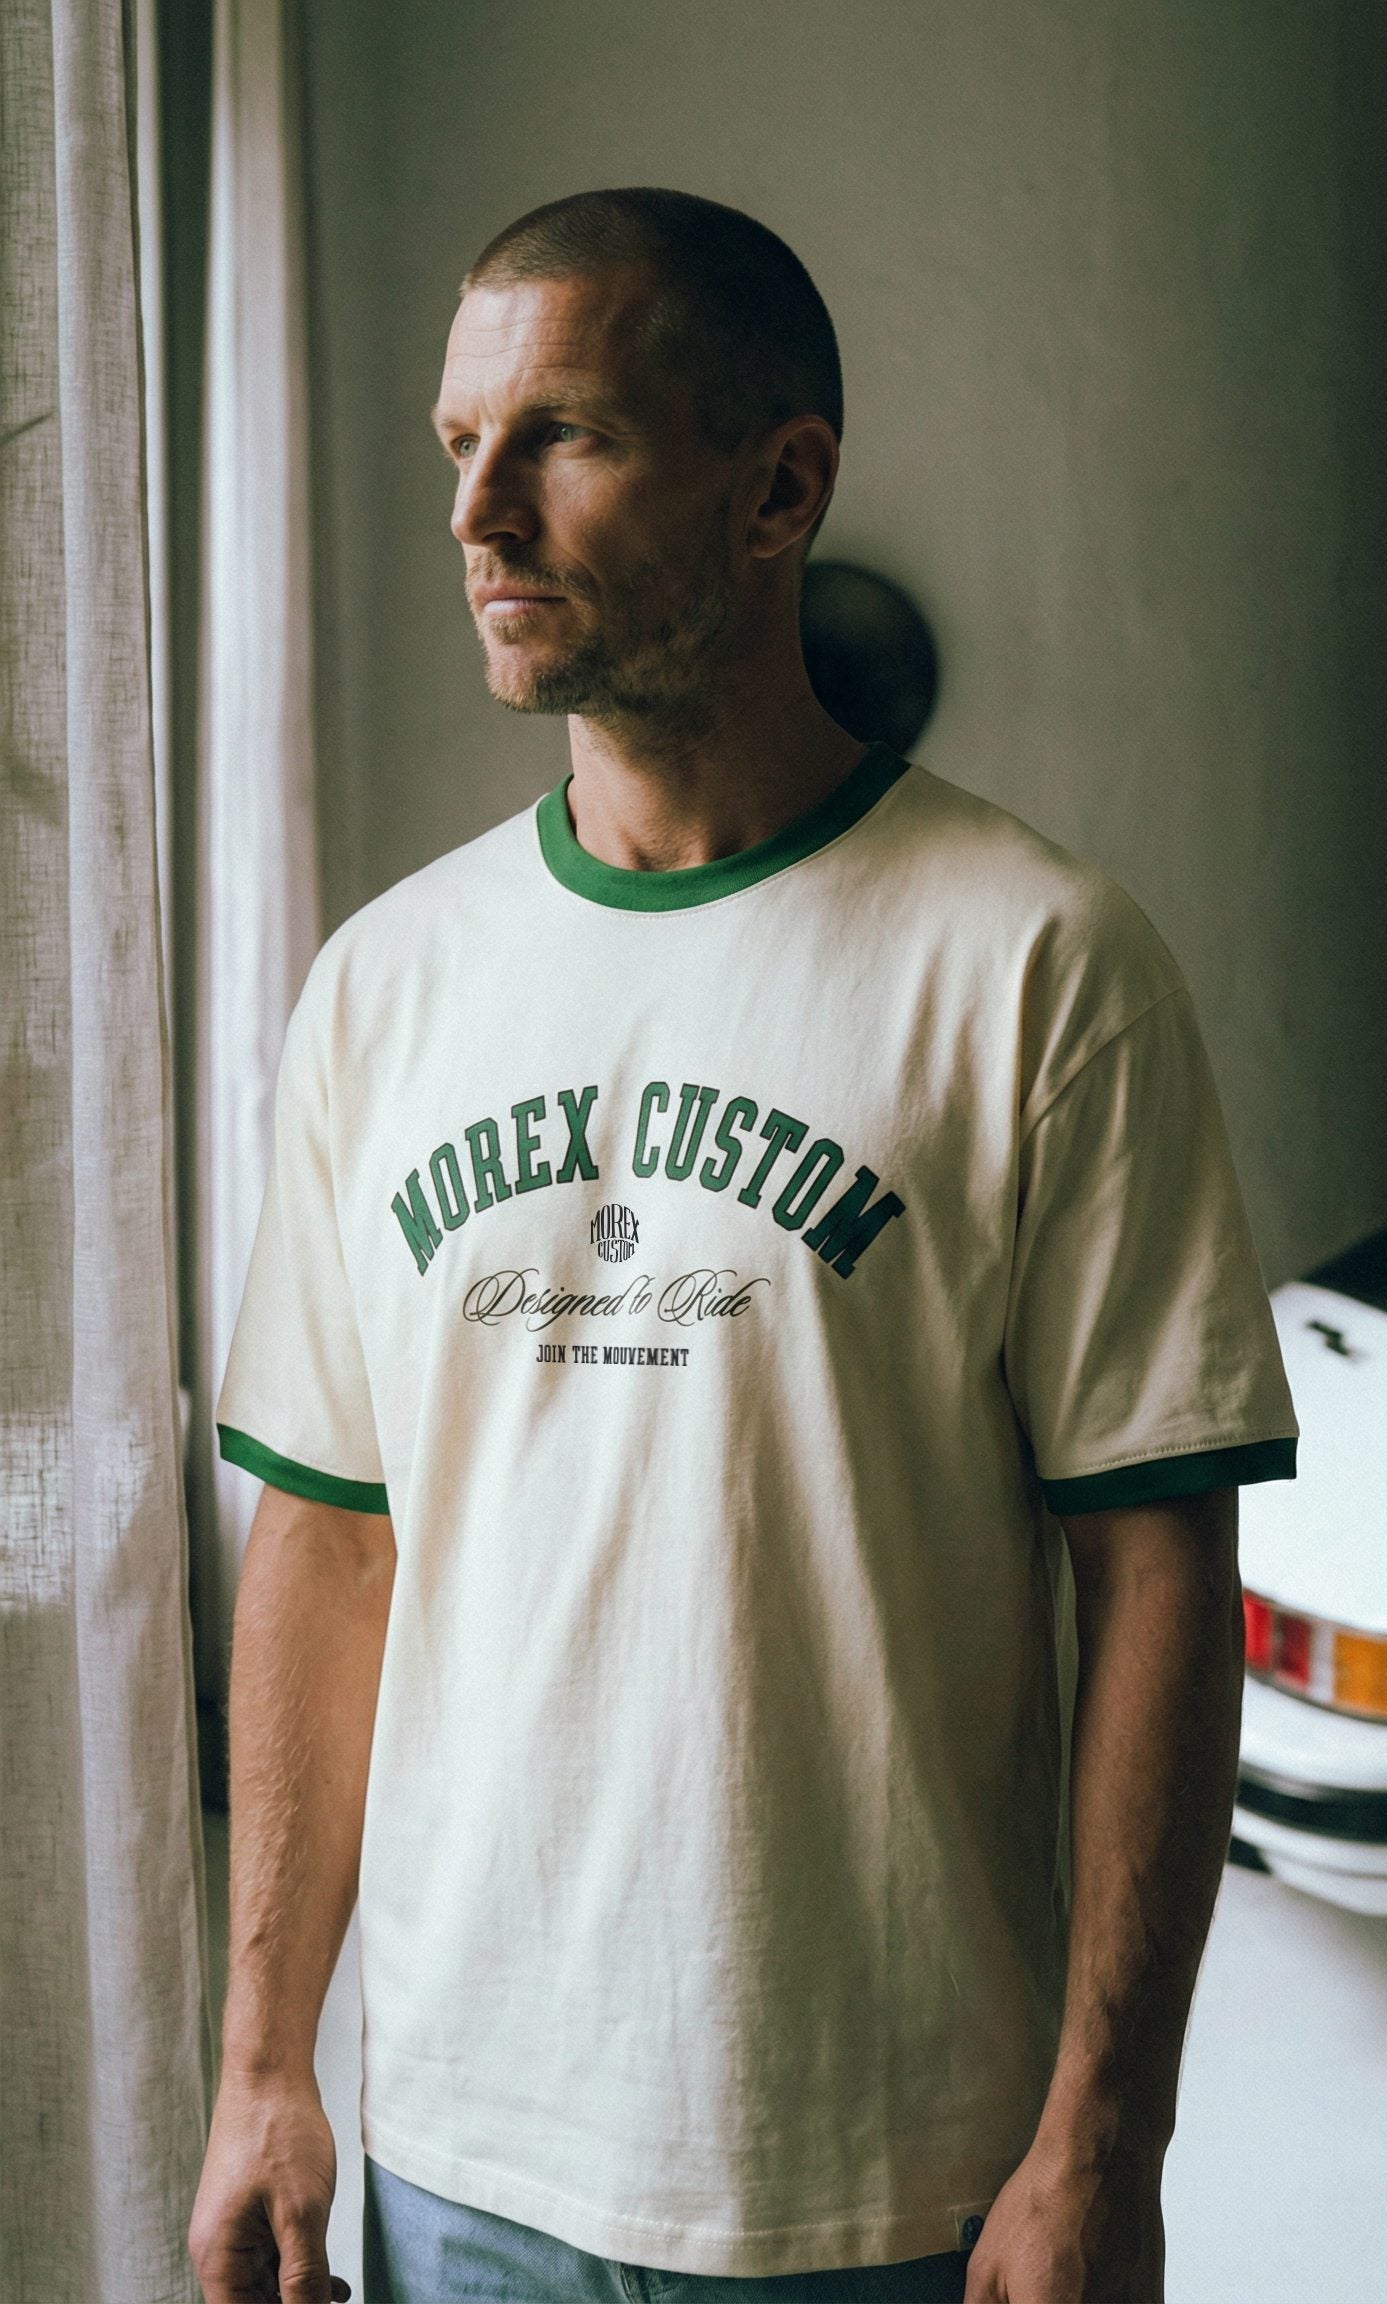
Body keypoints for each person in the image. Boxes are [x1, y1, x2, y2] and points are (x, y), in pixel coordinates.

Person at [188, 188, 1298, 2304]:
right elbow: (327, 1544)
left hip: (885, 2174)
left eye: (564, 438)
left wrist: (1106, 2137)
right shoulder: (382, 983)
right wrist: (264, 2064)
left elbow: (1154, 1569)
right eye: (455, 447)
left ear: (780, 487)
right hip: (460, 2154)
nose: (479, 515)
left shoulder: (1038, 964)